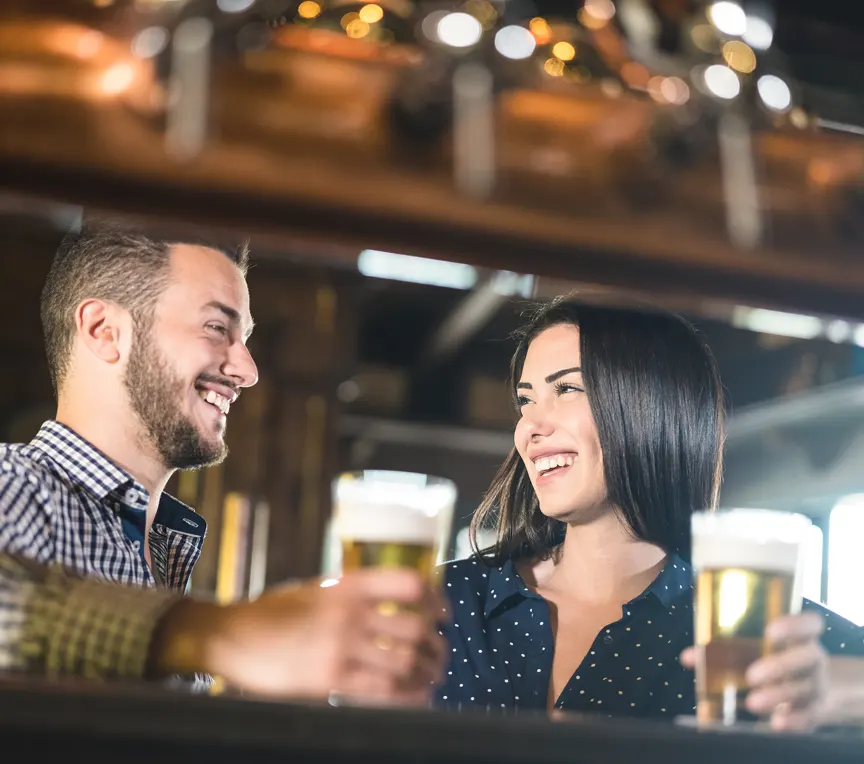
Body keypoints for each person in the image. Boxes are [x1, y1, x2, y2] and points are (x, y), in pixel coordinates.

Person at [0, 222, 445, 702]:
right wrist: (220, 634)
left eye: (245, 337)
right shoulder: (15, 483)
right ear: (104, 331)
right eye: (217, 328)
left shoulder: (164, 548)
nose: (248, 371)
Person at [433, 297, 863, 729]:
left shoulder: (777, 641)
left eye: (566, 389)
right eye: (526, 401)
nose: (530, 427)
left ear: (648, 407)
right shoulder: (443, 601)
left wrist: (848, 692)